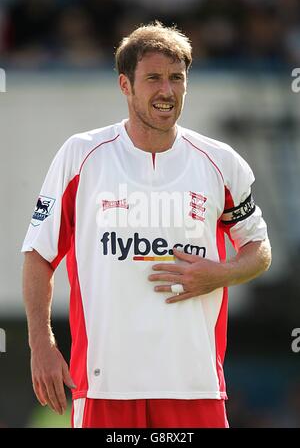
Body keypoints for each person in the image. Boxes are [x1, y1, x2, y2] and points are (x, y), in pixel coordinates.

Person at [22, 21, 271, 428]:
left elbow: (259, 250)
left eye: (177, 78)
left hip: (195, 383)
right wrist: (41, 345)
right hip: (105, 384)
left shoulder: (220, 162)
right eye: (153, 78)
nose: (167, 91)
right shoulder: (82, 156)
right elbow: (38, 255)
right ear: (125, 85)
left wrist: (219, 274)